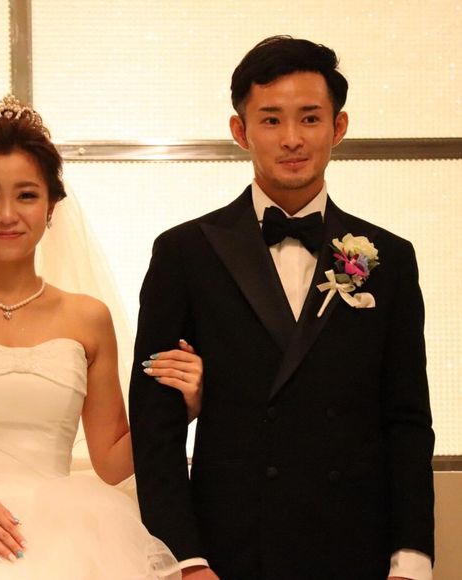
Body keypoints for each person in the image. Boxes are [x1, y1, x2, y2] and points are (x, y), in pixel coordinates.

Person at [130, 36, 434, 580]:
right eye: (270, 120)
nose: (292, 139)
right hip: (229, 549)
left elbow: (407, 421)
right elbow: (155, 427)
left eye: (310, 118)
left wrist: (410, 561)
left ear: (338, 128)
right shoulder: (185, 253)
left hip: (354, 548)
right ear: (239, 130)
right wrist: (186, 560)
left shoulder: (388, 258)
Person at [0, 95, 203, 579]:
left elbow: (111, 461)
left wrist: (181, 408)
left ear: (52, 206)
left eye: (27, 195)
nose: (7, 214)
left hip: (70, 538)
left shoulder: (88, 318)